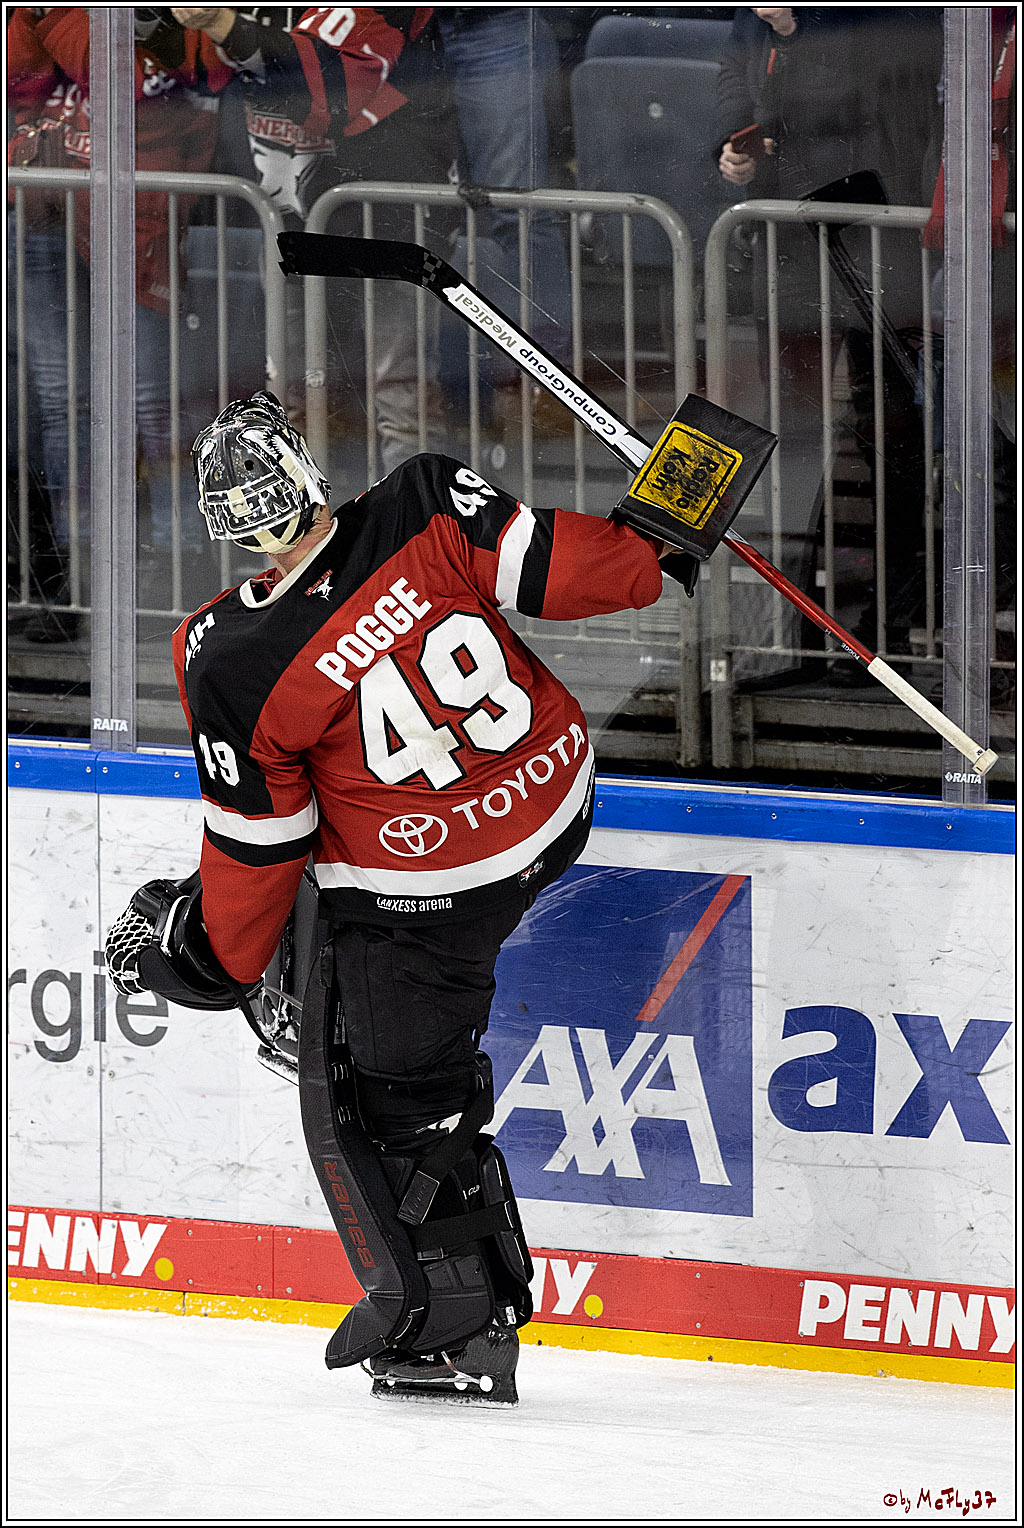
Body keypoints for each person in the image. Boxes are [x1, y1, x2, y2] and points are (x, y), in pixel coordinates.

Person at [108, 389, 673, 1403]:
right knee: (339, 896)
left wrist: (205, 958)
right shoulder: (423, 499)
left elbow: (259, 846)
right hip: (555, 803)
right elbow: (595, 572)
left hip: (432, 893)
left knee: (393, 1107)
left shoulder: (226, 654)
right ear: (308, 475)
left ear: (225, 527)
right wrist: (668, 527)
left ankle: (454, 1328)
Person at [712, 5, 943, 679]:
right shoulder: (759, 25)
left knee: (887, 443)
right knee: (792, 437)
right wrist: (736, 143)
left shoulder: (868, 22)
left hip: (873, 240)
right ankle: (795, 632)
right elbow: (732, 74)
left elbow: (865, 108)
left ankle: (883, 633)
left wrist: (796, 32)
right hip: (788, 244)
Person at [6, 6, 233, 635]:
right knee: (62, 399)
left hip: (138, 212)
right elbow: (19, 76)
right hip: (42, 204)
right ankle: (78, 572)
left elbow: (123, 79)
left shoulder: (158, 21)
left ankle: (181, 570)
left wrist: (57, 16)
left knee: (152, 396)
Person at [171, 6, 456, 477]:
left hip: (387, 226)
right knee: (288, 403)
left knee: (400, 398)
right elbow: (179, 63)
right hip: (289, 224)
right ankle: (300, 520)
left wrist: (223, 25)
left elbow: (331, 89)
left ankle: (413, 518)